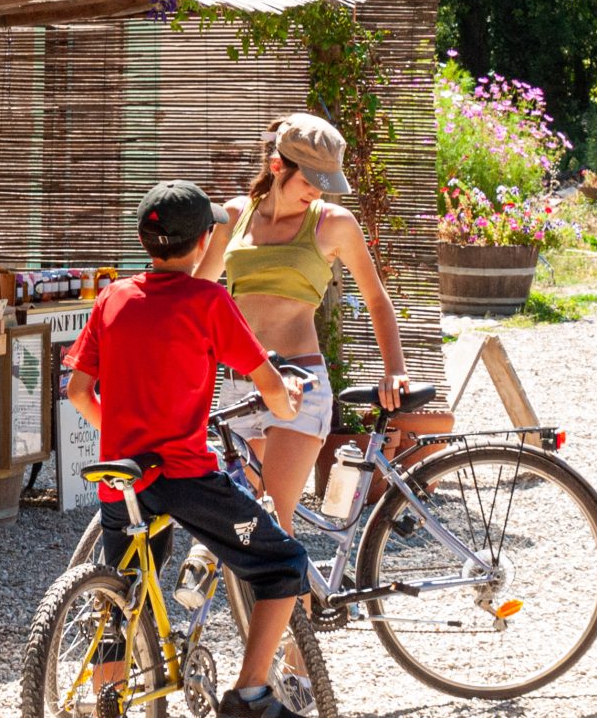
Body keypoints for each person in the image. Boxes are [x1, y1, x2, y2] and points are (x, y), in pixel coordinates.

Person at [65, 181, 313, 718]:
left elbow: (79, 392)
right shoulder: (207, 300)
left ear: (142, 240)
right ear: (204, 243)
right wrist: (289, 404)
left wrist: (125, 439)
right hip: (183, 476)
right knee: (285, 564)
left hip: (121, 476)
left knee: (121, 594)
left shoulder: (112, 299)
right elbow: (268, 382)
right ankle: (250, 695)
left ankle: (107, 701)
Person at [196, 113, 412, 531]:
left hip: (300, 386)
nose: (316, 194)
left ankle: (290, 592)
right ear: (278, 167)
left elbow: (377, 300)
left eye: (324, 185)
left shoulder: (333, 223)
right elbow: (195, 294)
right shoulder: (236, 215)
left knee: (269, 526)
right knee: (239, 530)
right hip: (240, 387)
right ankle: (310, 600)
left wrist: (395, 370)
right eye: (308, 182)